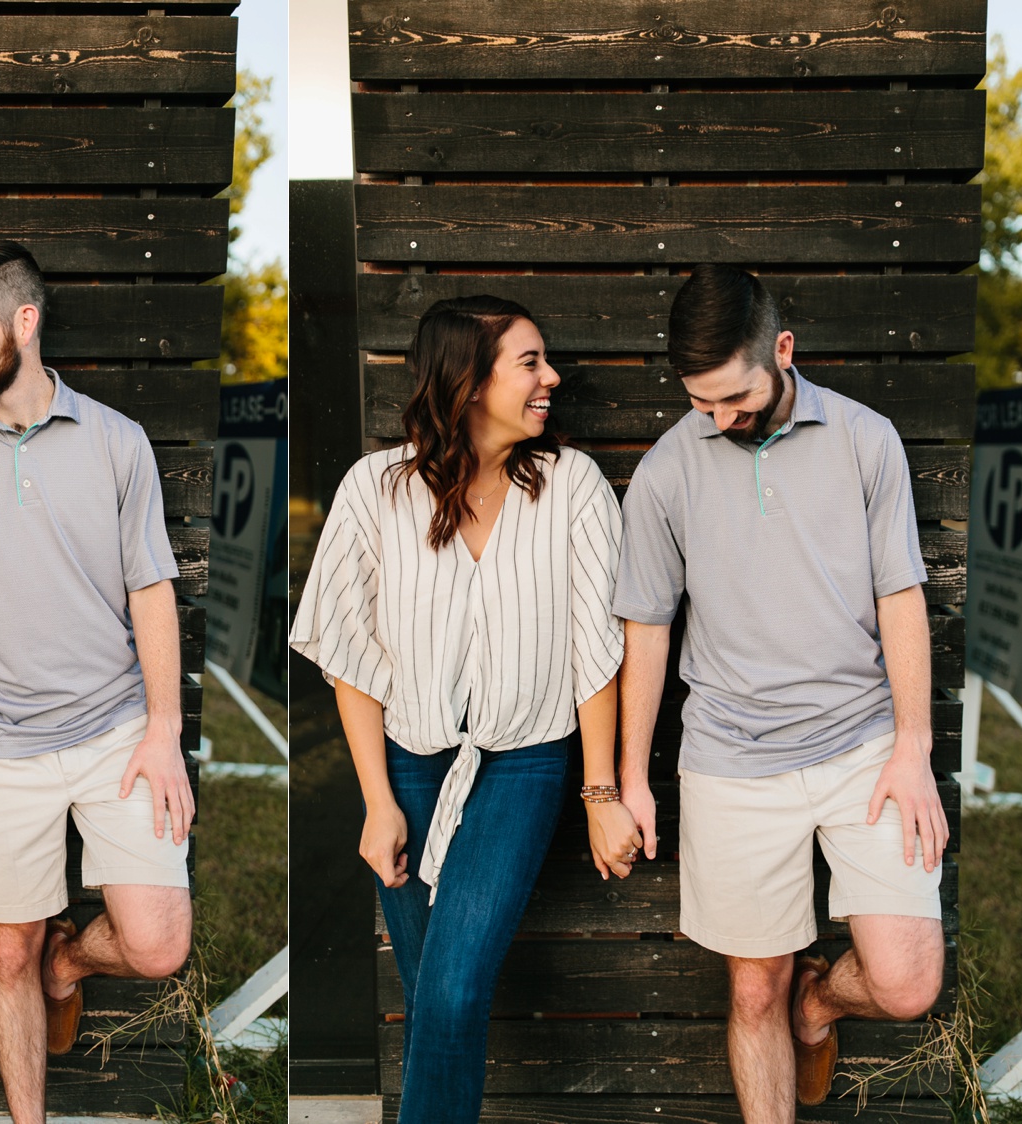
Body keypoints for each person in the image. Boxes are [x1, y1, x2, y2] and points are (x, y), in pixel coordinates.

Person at [614, 264, 947, 1122]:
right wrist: (630, 778)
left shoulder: (866, 440)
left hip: (862, 743)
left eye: (733, 399)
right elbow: (646, 629)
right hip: (731, 756)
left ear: (783, 352)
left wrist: (913, 750)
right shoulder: (665, 471)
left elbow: (901, 598)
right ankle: (787, 1005)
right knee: (753, 991)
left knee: (907, 982)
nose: (718, 420)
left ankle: (822, 1003)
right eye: (700, 402)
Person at [289, 295, 633, 1124]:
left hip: (526, 761)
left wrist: (599, 792)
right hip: (408, 762)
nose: (552, 378)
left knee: (448, 988)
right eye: (530, 363)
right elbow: (353, 655)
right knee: (434, 1000)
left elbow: (598, 651)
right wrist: (376, 801)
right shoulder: (375, 490)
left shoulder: (573, 487)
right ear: (469, 382)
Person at [0, 241, 192, 1124]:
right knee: (6, 956)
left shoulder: (116, 441)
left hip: (114, 730)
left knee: (158, 945)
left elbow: (151, 591)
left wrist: (162, 732)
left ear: (24, 320)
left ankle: (72, 964)